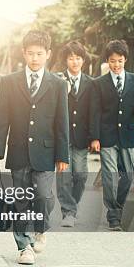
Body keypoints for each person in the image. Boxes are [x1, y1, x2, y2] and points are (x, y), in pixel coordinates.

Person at [0, 30, 69, 265]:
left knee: (43, 196)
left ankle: (41, 229)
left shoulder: (57, 84)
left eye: (40, 54)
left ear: (48, 55)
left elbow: (61, 121)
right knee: (21, 199)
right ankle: (24, 247)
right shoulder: (9, 81)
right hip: (18, 149)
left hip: (46, 151)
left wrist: (62, 154)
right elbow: (2, 117)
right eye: (31, 53)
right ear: (24, 53)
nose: (35, 58)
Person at [90, 40, 134, 231]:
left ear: (125, 60)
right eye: (113, 61)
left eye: (120, 61)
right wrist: (94, 137)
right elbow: (95, 112)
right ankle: (114, 217)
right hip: (106, 137)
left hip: (129, 135)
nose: (116, 65)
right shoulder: (98, 84)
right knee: (110, 175)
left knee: (130, 173)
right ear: (108, 61)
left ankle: (117, 206)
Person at [55, 41, 97, 228]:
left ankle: (72, 205)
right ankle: (68, 212)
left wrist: (94, 136)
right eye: (71, 58)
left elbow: (94, 112)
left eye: (78, 58)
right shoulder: (57, 80)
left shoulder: (91, 83)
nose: (74, 62)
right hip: (61, 136)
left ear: (83, 60)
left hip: (81, 137)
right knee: (64, 175)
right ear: (66, 60)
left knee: (80, 175)